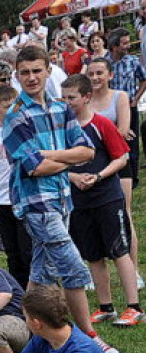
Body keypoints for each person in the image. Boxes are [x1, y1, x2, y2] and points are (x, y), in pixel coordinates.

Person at [3, 45, 118, 353]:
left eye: (37, 70)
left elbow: (88, 152)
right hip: (36, 204)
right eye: (25, 72)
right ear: (17, 75)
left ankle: (31, 338)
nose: (31, 77)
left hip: (63, 199)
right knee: (72, 268)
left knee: (40, 274)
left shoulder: (60, 108)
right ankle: (89, 339)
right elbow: (34, 167)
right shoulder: (14, 117)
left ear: (48, 70)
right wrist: (66, 159)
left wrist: (51, 156)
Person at [61, 74, 143, 327]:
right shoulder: (62, 130)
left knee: (119, 251)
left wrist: (98, 176)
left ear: (86, 97)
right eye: (63, 98)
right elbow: (58, 164)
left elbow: (122, 158)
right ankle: (106, 306)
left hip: (107, 198)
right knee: (94, 255)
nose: (67, 103)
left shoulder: (101, 124)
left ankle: (133, 307)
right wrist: (74, 177)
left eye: (71, 98)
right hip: (80, 203)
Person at [88, 56, 139, 267]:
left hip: (118, 161)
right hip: (92, 164)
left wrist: (96, 144)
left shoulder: (120, 96)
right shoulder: (85, 99)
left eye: (99, 73)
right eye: (90, 73)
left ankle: (133, 267)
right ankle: (97, 265)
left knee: (124, 213)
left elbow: (123, 130)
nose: (95, 77)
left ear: (110, 75)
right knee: (91, 217)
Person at [0, 85, 33, 287]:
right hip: (2, 199)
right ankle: (20, 292)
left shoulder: (26, 128)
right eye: (6, 106)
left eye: (15, 105)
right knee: (12, 252)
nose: (11, 110)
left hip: (23, 197)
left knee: (27, 248)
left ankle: (37, 290)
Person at [105, 28, 146, 187]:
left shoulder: (132, 61)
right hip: (111, 109)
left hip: (129, 107)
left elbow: (144, 79)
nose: (128, 46)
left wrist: (136, 99)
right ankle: (115, 173)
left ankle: (132, 177)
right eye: (124, 43)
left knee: (132, 143)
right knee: (113, 141)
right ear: (114, 45)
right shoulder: (105, 62)